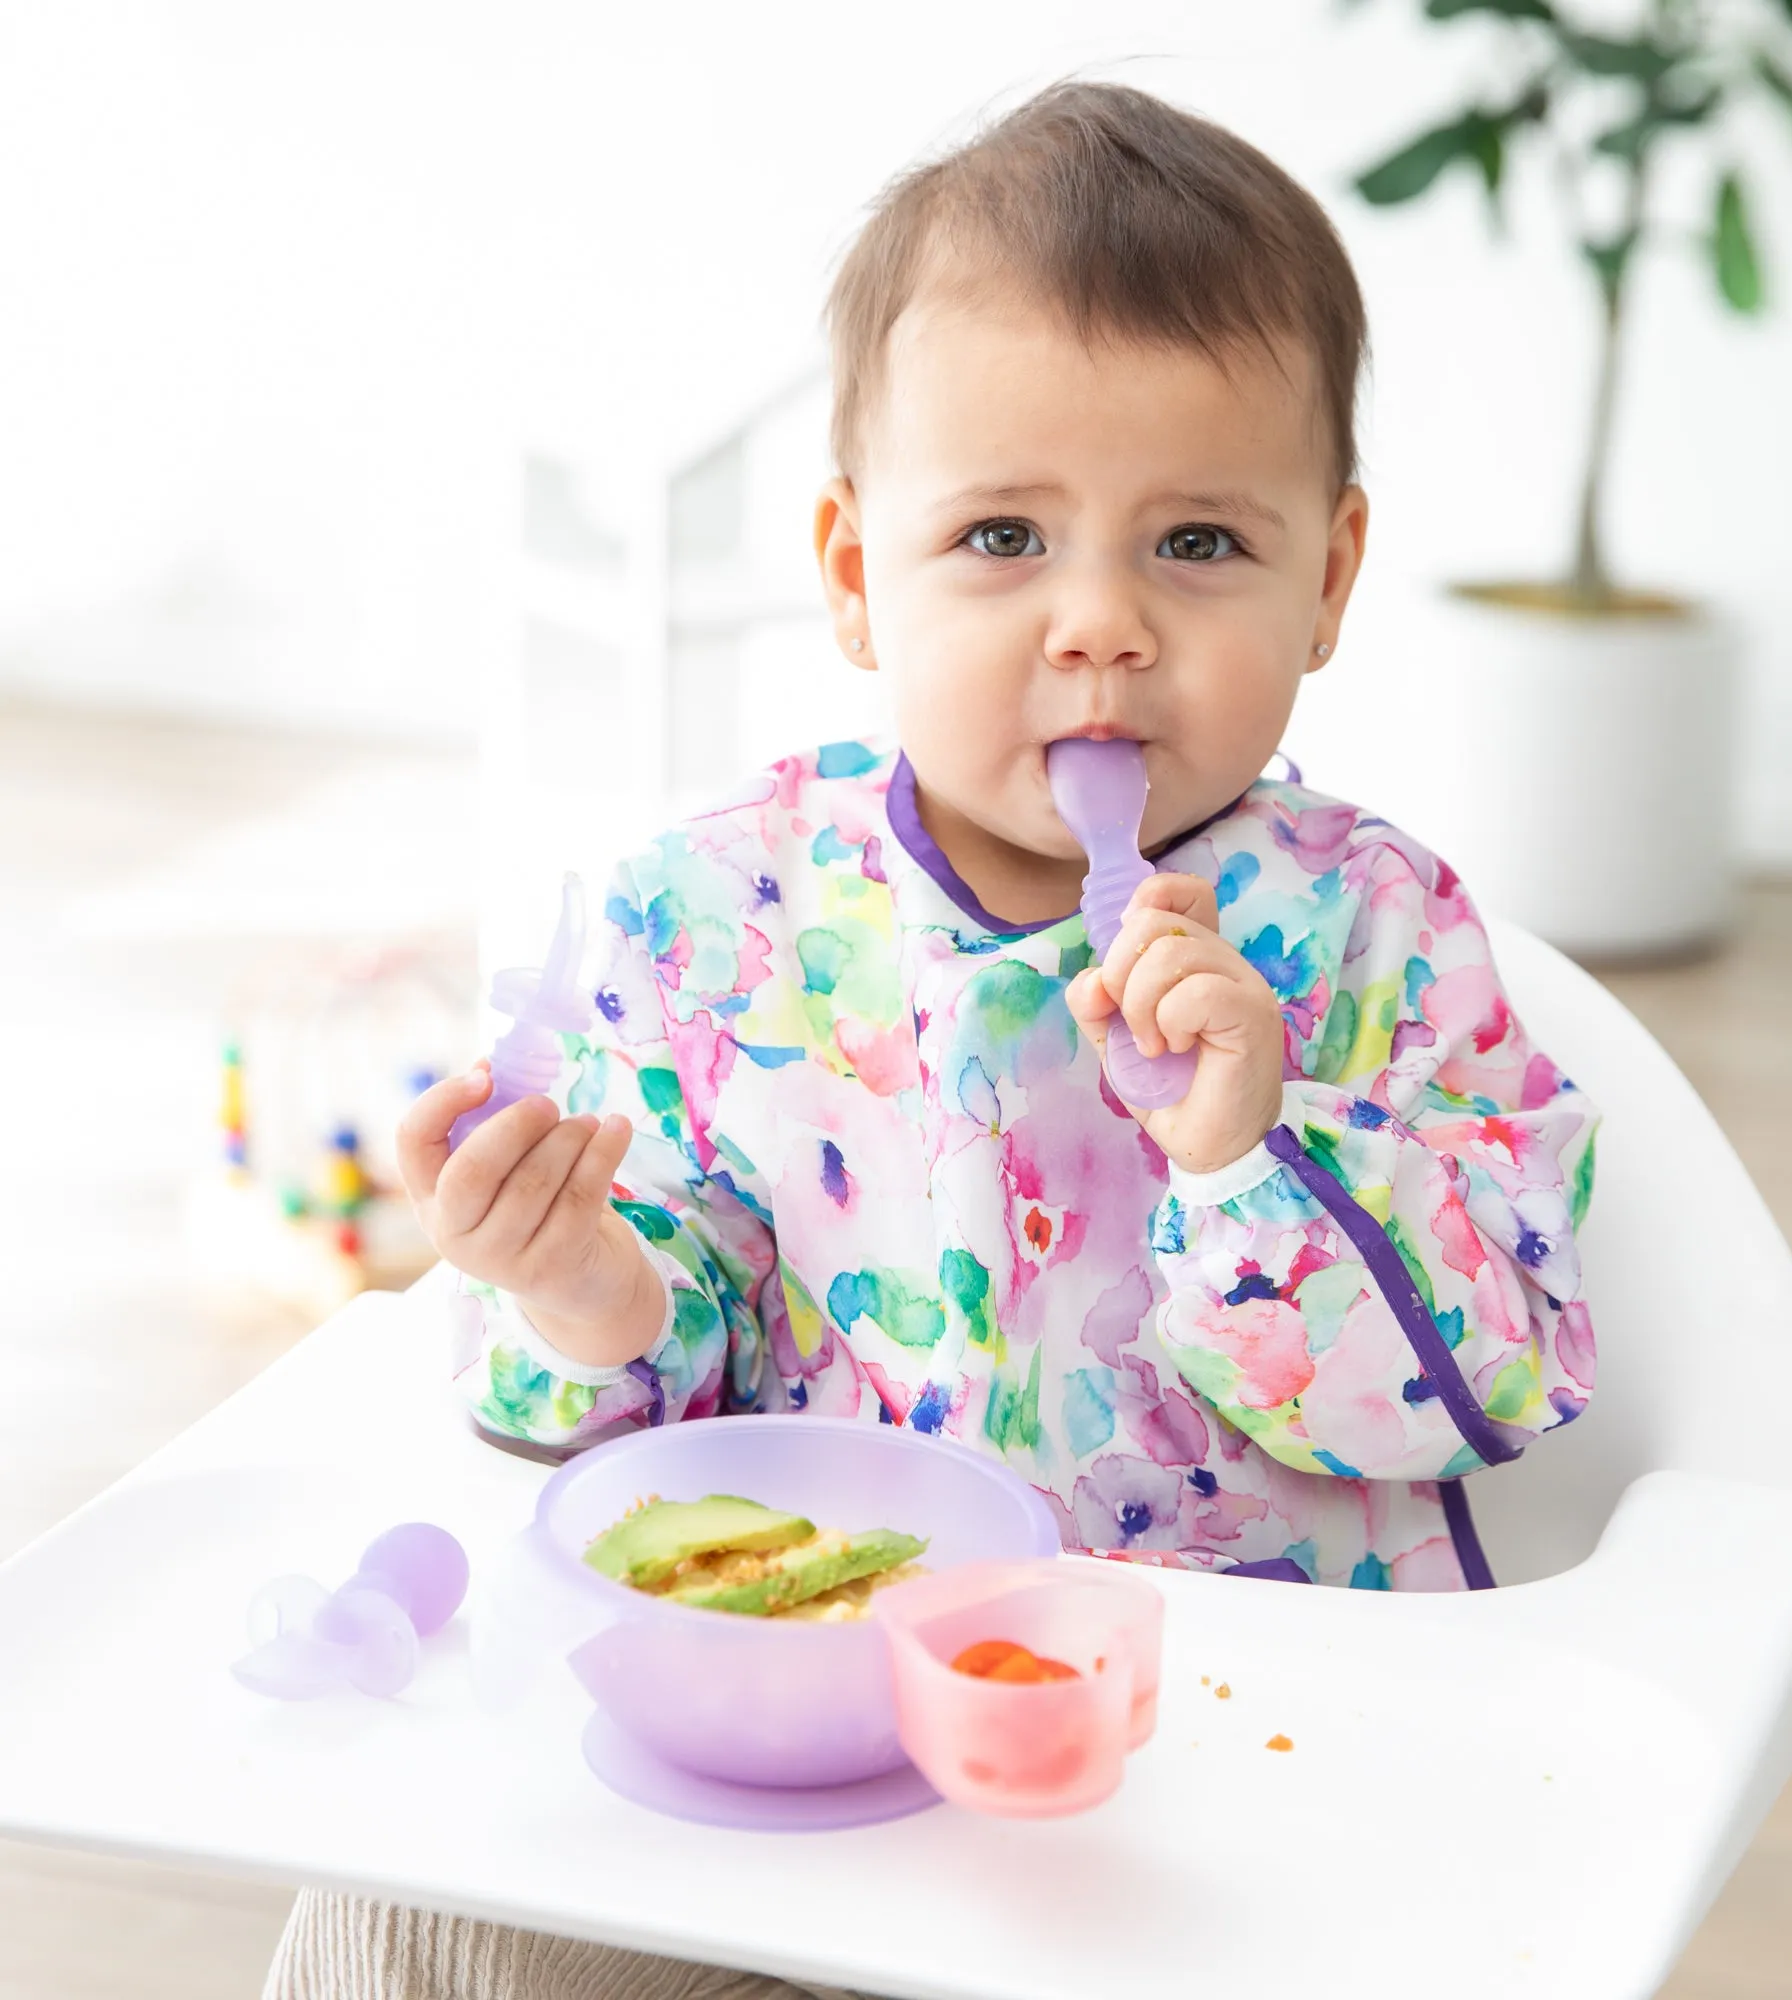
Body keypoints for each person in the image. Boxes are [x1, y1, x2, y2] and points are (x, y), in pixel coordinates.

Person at [266, 79, 1599, 2000]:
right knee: (399, 1921)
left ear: (1331, 575)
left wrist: (1247, 1156)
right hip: (798, 1712)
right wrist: (584, 1291)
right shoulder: (709, 921)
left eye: (1203, 541)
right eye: (1000, 535)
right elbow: (644, 1428)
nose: (1102, 627)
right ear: (849, 572)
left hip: (1205, 1781)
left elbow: (1506, 1379)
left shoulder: (1384, 937)